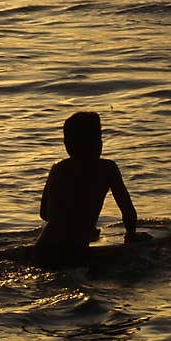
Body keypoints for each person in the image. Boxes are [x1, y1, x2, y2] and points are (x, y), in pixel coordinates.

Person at [34, 111, 144, 267]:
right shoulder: (107, 168)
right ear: (97, 143)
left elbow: (44, 214)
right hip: (74, 250)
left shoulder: (57, 168)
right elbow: (128, 211)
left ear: (67, 145)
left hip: (43, 247)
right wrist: (131, 235)